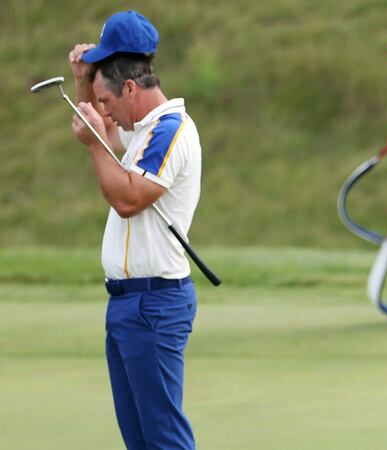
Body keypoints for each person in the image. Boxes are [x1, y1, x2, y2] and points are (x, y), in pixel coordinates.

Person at [68, 10, 202, 450]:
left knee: (163, 439)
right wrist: (85, 81)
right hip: (129, 303)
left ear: (130, 87)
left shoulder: (169, 130)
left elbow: (126, 198)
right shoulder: (141, 129)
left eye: (108, 101)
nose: (106, 114)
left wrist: (94, 141)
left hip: (154, 303)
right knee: (140, 440)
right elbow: (102, 127)